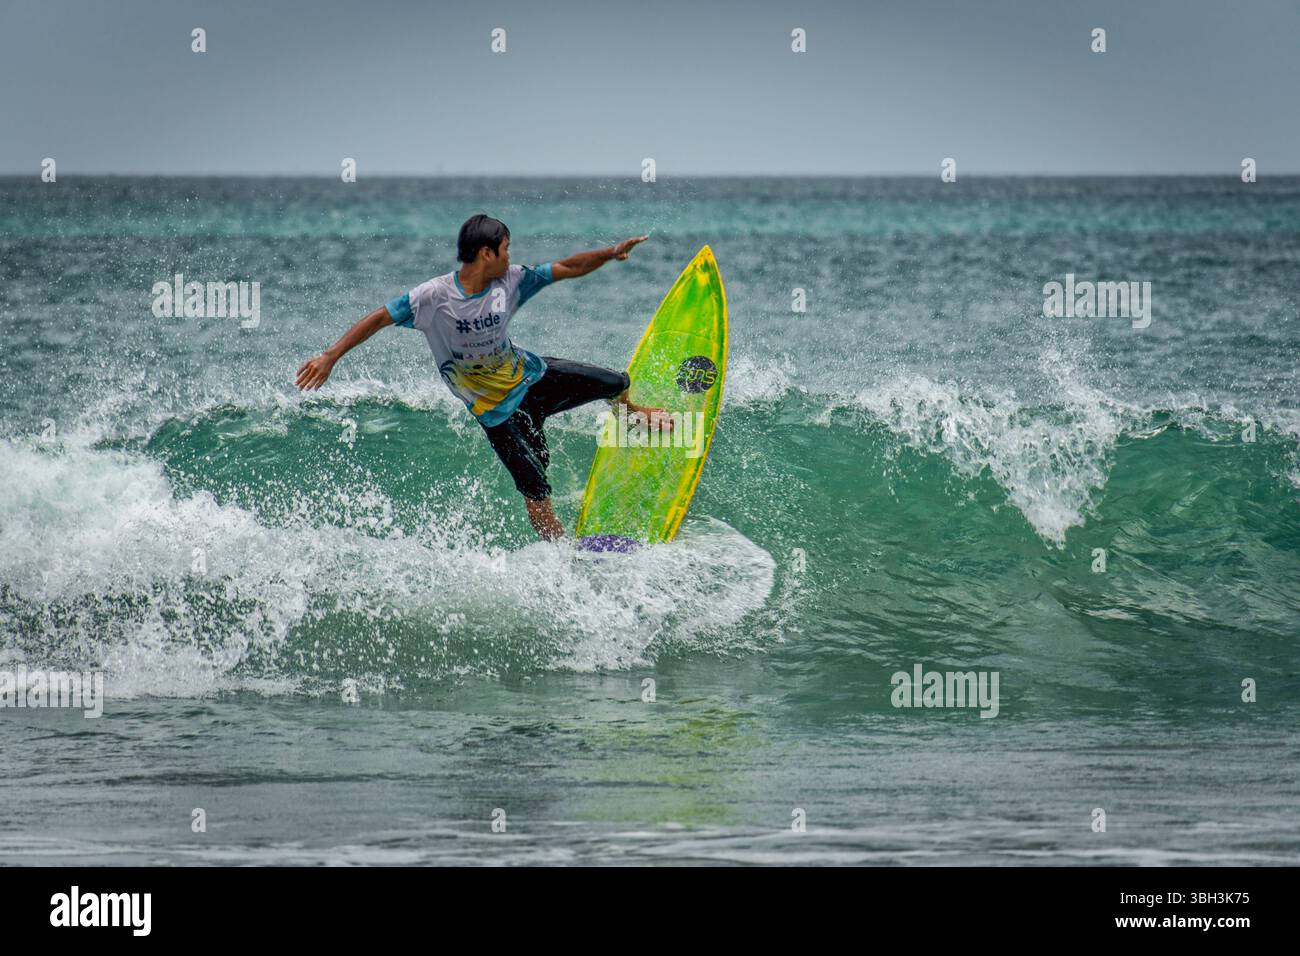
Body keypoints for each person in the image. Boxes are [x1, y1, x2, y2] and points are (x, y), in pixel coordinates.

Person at [295, 213, 671, 539]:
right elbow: (378, 318)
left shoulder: (512, 280)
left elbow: (567, 267)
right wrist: (330, 357)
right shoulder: (433, 297)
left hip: (532, 378)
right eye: (506, 248)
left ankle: (629, 412)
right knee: (536, 489)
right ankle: (564, 558)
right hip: (497, 414)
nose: (510, 255)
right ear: (486, 253)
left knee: (615, 382)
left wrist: (609, 253)